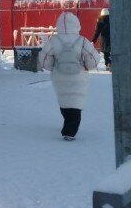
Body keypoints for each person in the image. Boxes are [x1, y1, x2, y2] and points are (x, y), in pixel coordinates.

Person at [38, 12, 100, 140]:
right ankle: (69, 132)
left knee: (64, 100)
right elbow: (94, 58)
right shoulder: (82, 40)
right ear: (76, 25)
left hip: (59, 76)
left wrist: (52, 68)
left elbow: (44, 58)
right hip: (79, 76)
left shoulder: (53, 40)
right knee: (76, 102)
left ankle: (68, 121)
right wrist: (88, 66)